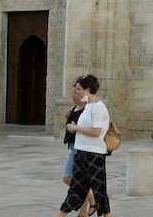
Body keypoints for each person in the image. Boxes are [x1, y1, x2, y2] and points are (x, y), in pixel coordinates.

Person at [57, 75, 111, 217]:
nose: (76, 92)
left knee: (99, 190)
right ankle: (64, 214)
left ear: (88, 89)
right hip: (81, 152)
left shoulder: (98, 107)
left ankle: (105, 214)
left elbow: (96, 132)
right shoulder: (88, 106)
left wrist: (76, 129)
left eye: (79, 89)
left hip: (94, 153)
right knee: (76, 188)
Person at [61, 81, 94, 217]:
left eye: (77, 91)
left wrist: (75, 127)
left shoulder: (87, 110)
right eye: (73, 91)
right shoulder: (75, 109)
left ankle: (84, 210)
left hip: (80, 149)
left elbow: (92, 130)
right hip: (73, 147)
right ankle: (89, 204)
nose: (74, 94)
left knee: (71, 179)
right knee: (69, 178)